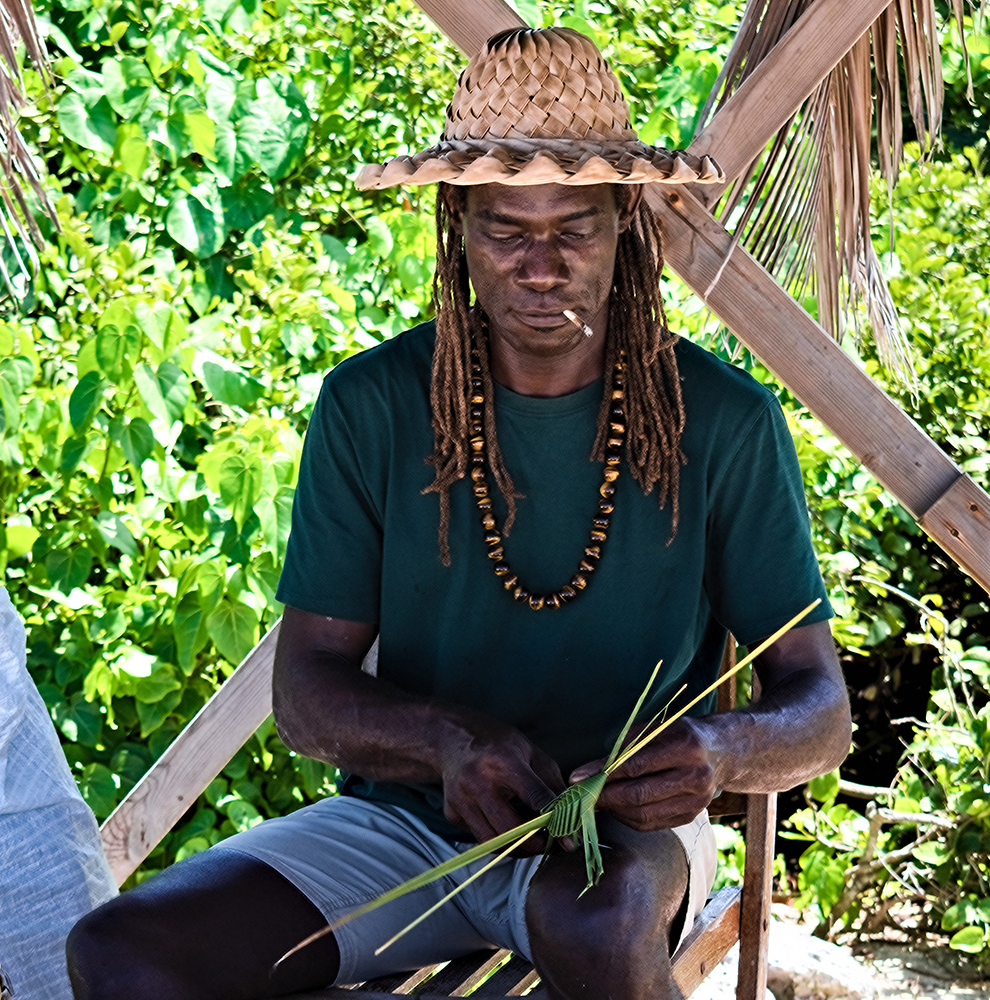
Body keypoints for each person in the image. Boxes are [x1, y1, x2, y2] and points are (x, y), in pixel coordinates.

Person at [67, 27, 851, 1000]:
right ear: (457, 230)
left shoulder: (723, 421)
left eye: (575, 227)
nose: (540, 264)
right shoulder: (375, 404)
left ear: (626, 226)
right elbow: (305, 695)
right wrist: (443, 745)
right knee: (120, 951)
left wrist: (718, 750)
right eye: (505, 229)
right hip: (403, 821)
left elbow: (822, 709)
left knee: (599, 924)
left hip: (622, 837)